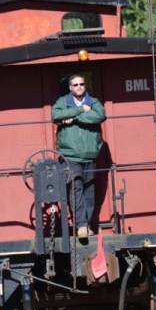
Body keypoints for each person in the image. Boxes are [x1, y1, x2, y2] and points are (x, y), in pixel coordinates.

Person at [51, 74, 106, 238]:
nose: (79, 87)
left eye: (81, 84)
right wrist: (80, 110)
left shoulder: (94, 102)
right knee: (76, 188)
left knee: (89, 190)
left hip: (90, 155)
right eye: (75, 84)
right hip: (70, 155)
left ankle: (86, 224)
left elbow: (99, 115)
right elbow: (55, 115)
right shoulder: (63, 102)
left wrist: (71, 117)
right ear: (70, 87)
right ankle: (81, 225)